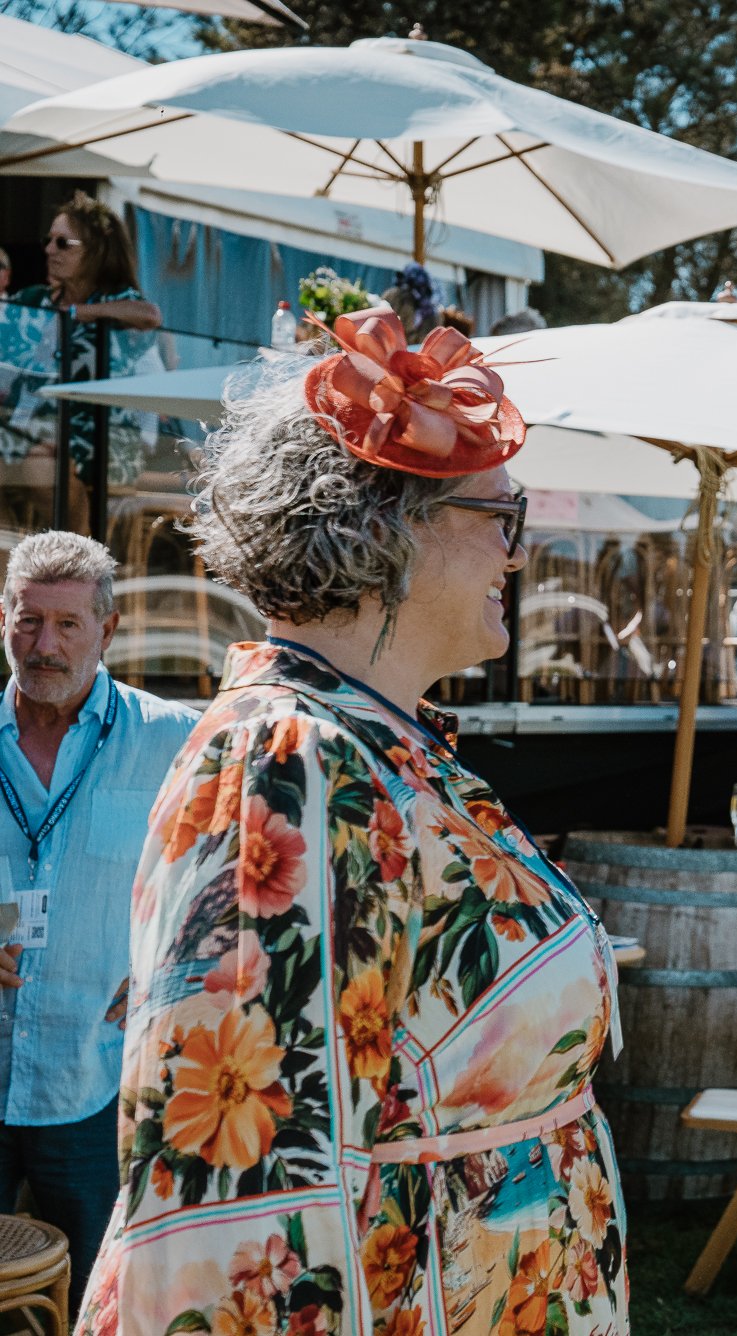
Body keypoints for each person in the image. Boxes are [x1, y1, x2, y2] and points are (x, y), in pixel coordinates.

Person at [76, 307, 628, 1336]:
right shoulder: (287, 761)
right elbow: (238, 1194)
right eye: (501, 516)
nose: (517, 554)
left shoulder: (379, 744)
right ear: (388, 525)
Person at [0, 531, 196, 1318]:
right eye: (27, 621)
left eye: (67, 625)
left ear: (107, 631)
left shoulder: (173, 740)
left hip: (96, 1082)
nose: (43, 645)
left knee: (95, 1301)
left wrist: (173, 967)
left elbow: (229, 882)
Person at [0, 193, 164, 488]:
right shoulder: (33, 301)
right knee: (35, 457)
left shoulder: (117, 302)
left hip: (103, 434)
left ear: (95, 251)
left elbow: (149, 315)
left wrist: (81, 313)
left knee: (43, 464)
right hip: (30, 425)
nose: (49, 249)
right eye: (48, 240)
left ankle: (73, 520)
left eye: (62, 242)